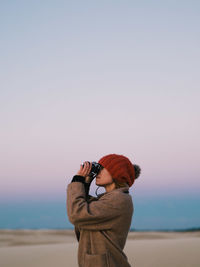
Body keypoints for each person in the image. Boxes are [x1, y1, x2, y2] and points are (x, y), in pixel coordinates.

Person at [66, 153, 141, 267]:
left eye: (101, 169)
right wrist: (85, 183)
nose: (97, 173)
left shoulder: (119, 200)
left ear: (116, 173)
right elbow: (83, 219)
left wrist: (78, 180)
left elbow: (77, 214)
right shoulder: (107, 200)